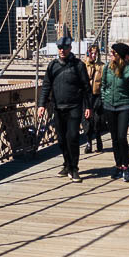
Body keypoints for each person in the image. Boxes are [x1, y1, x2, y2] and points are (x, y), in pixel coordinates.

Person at [37, 34, 92, 182]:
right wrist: (41, 104)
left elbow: (87, 87)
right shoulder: (52, 66)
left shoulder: (79, 65)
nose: (62, 50)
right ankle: (67, 163)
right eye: (60, 48)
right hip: (58, 107)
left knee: (72, 137)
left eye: (65, 48)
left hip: (74, 107)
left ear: (70, 48)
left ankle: (74, 169)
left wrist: (88, 106)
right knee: (61, 140)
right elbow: (46, 86)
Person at [98, 43, 129, 182]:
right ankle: (118, 165)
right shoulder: (107, 67)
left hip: (124, 106)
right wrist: (105, 99)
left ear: (119, 55)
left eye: (113, 52)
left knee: (122, 137)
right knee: (114, 138)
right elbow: (103, 85)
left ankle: (126, 166)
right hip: (110, 107)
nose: (111, 54)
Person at [85, 44, 106, 153]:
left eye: (95, 53)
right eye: (91, 53)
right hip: (87, 97)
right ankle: (89, 143)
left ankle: (98, 139)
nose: (93, 55)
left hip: (97, 96)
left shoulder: (102, 66)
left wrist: (103, 97)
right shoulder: (84, 65)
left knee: (97, 121)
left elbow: (105, 82)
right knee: (88, 122)